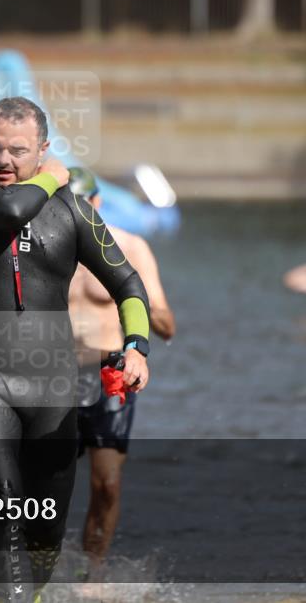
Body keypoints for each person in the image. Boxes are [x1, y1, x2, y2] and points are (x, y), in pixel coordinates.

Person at [0, 97, 151, 603]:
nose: (3, 160)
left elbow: (128, 284)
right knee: (1, 494)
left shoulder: (73, 212)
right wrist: (54, 177)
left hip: (52, 382)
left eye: (17, 150)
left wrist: (137, 346)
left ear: (43, 148)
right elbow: (14, 208)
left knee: (47, 524)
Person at [66, 167, 175, 575]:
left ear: (96, 203)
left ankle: (92, 570)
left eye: (78, 205)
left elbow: (167, 323)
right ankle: (40, 565)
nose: (71, 214)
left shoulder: (129, 246)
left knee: (107, 483)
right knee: (42, 482)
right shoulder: (43, 246)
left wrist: (136, 305)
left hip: (109, 370)